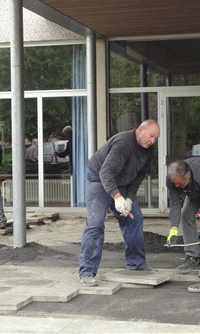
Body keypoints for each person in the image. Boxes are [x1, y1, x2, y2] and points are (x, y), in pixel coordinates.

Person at [79, 119, 160, 287]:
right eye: (151, 136)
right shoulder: (123, 143)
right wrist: (117, 197)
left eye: (156, 138)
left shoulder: (149, 149)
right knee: (95, 224)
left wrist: (129, 198)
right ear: (140, 131)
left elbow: (139, 176)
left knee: (134, 218)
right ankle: (87, 272)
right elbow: (105, 173)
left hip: (122, 182)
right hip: (99, 180)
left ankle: (136, 265)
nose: (153, 141)